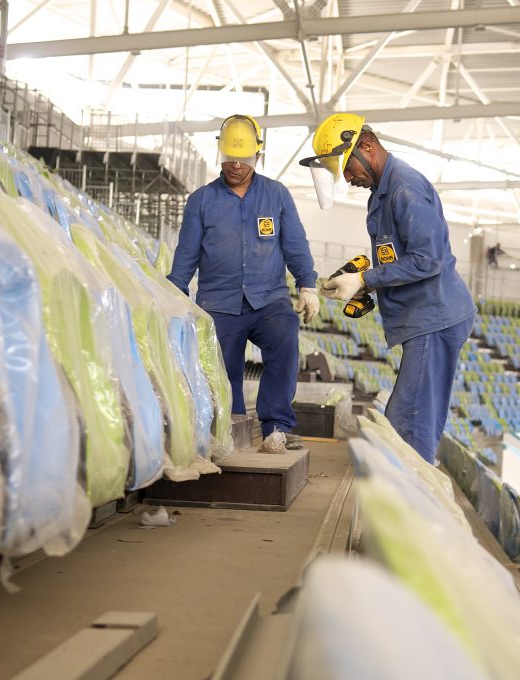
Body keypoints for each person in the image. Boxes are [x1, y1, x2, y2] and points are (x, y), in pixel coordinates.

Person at [299, 113, 476, 465]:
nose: (348, 178)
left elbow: (427, 260)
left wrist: (366, 280)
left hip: (435, 317)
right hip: (425, 317)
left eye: (347, 167)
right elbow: (397, 256)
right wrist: (362, 282)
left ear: (367, 146)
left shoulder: (405, 188)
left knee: (409, 422)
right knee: (409, 417)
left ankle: (414, 489)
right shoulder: (382, 191)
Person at [168, 114, 318, 451]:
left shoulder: (277, 195)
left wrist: (307, 285)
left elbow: (295, 244)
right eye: (230, 158)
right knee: (223, 370)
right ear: (220, 153)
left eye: (244, 159)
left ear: (258, 156)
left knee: (285, 337)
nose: (236, 165)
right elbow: (186, 255)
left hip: (269, 300)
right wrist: (173, 295)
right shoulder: (201, 201)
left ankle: (276, 427)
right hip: (219, 302)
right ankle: (230, 428)